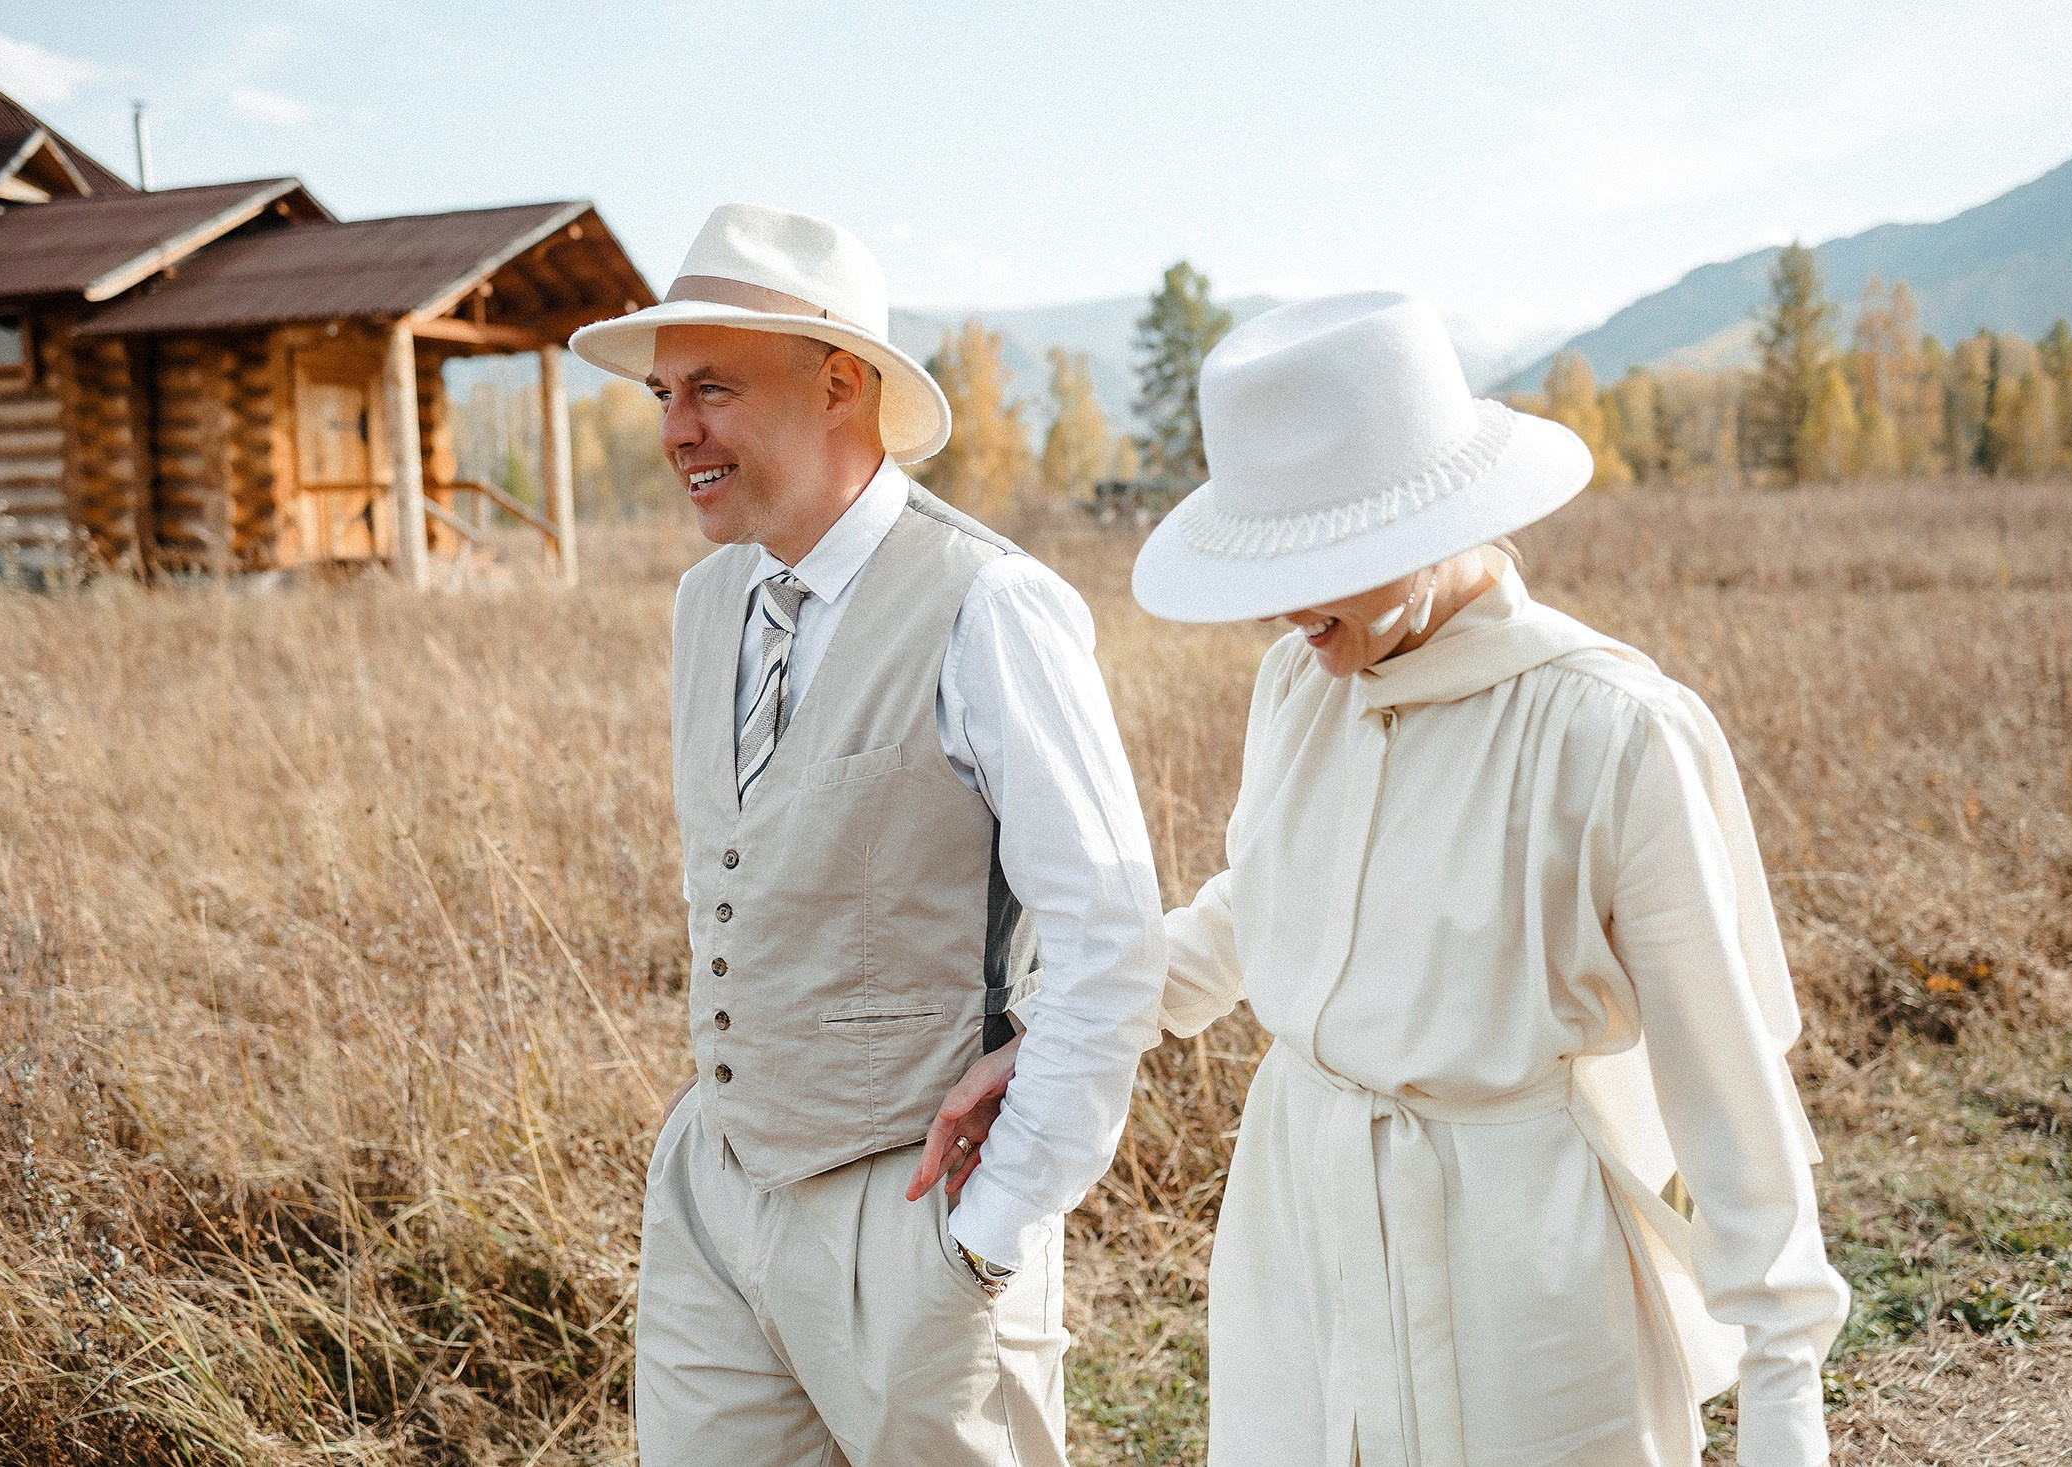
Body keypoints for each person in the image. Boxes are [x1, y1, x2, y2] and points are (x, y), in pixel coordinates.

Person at [927, 292, 1850, 1466]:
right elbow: (1257, 909)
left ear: (1436, 519)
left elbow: (1728, 1088)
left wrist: (1784, 1399)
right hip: (1296, 1233)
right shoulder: (1298, 684)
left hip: (1522, 1274)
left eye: (1322, 560)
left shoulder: (1608, 734)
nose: (1278, 604)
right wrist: (1058, 1032)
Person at [569, 203, 1166, 1467]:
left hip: (910, 1209)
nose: (676, 430)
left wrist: (991, 1231)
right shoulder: (706, 600)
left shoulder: (988, 603)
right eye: (666, 395)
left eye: (713, 389)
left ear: (839, 383)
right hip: (715, 1194)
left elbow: (1108, 933)